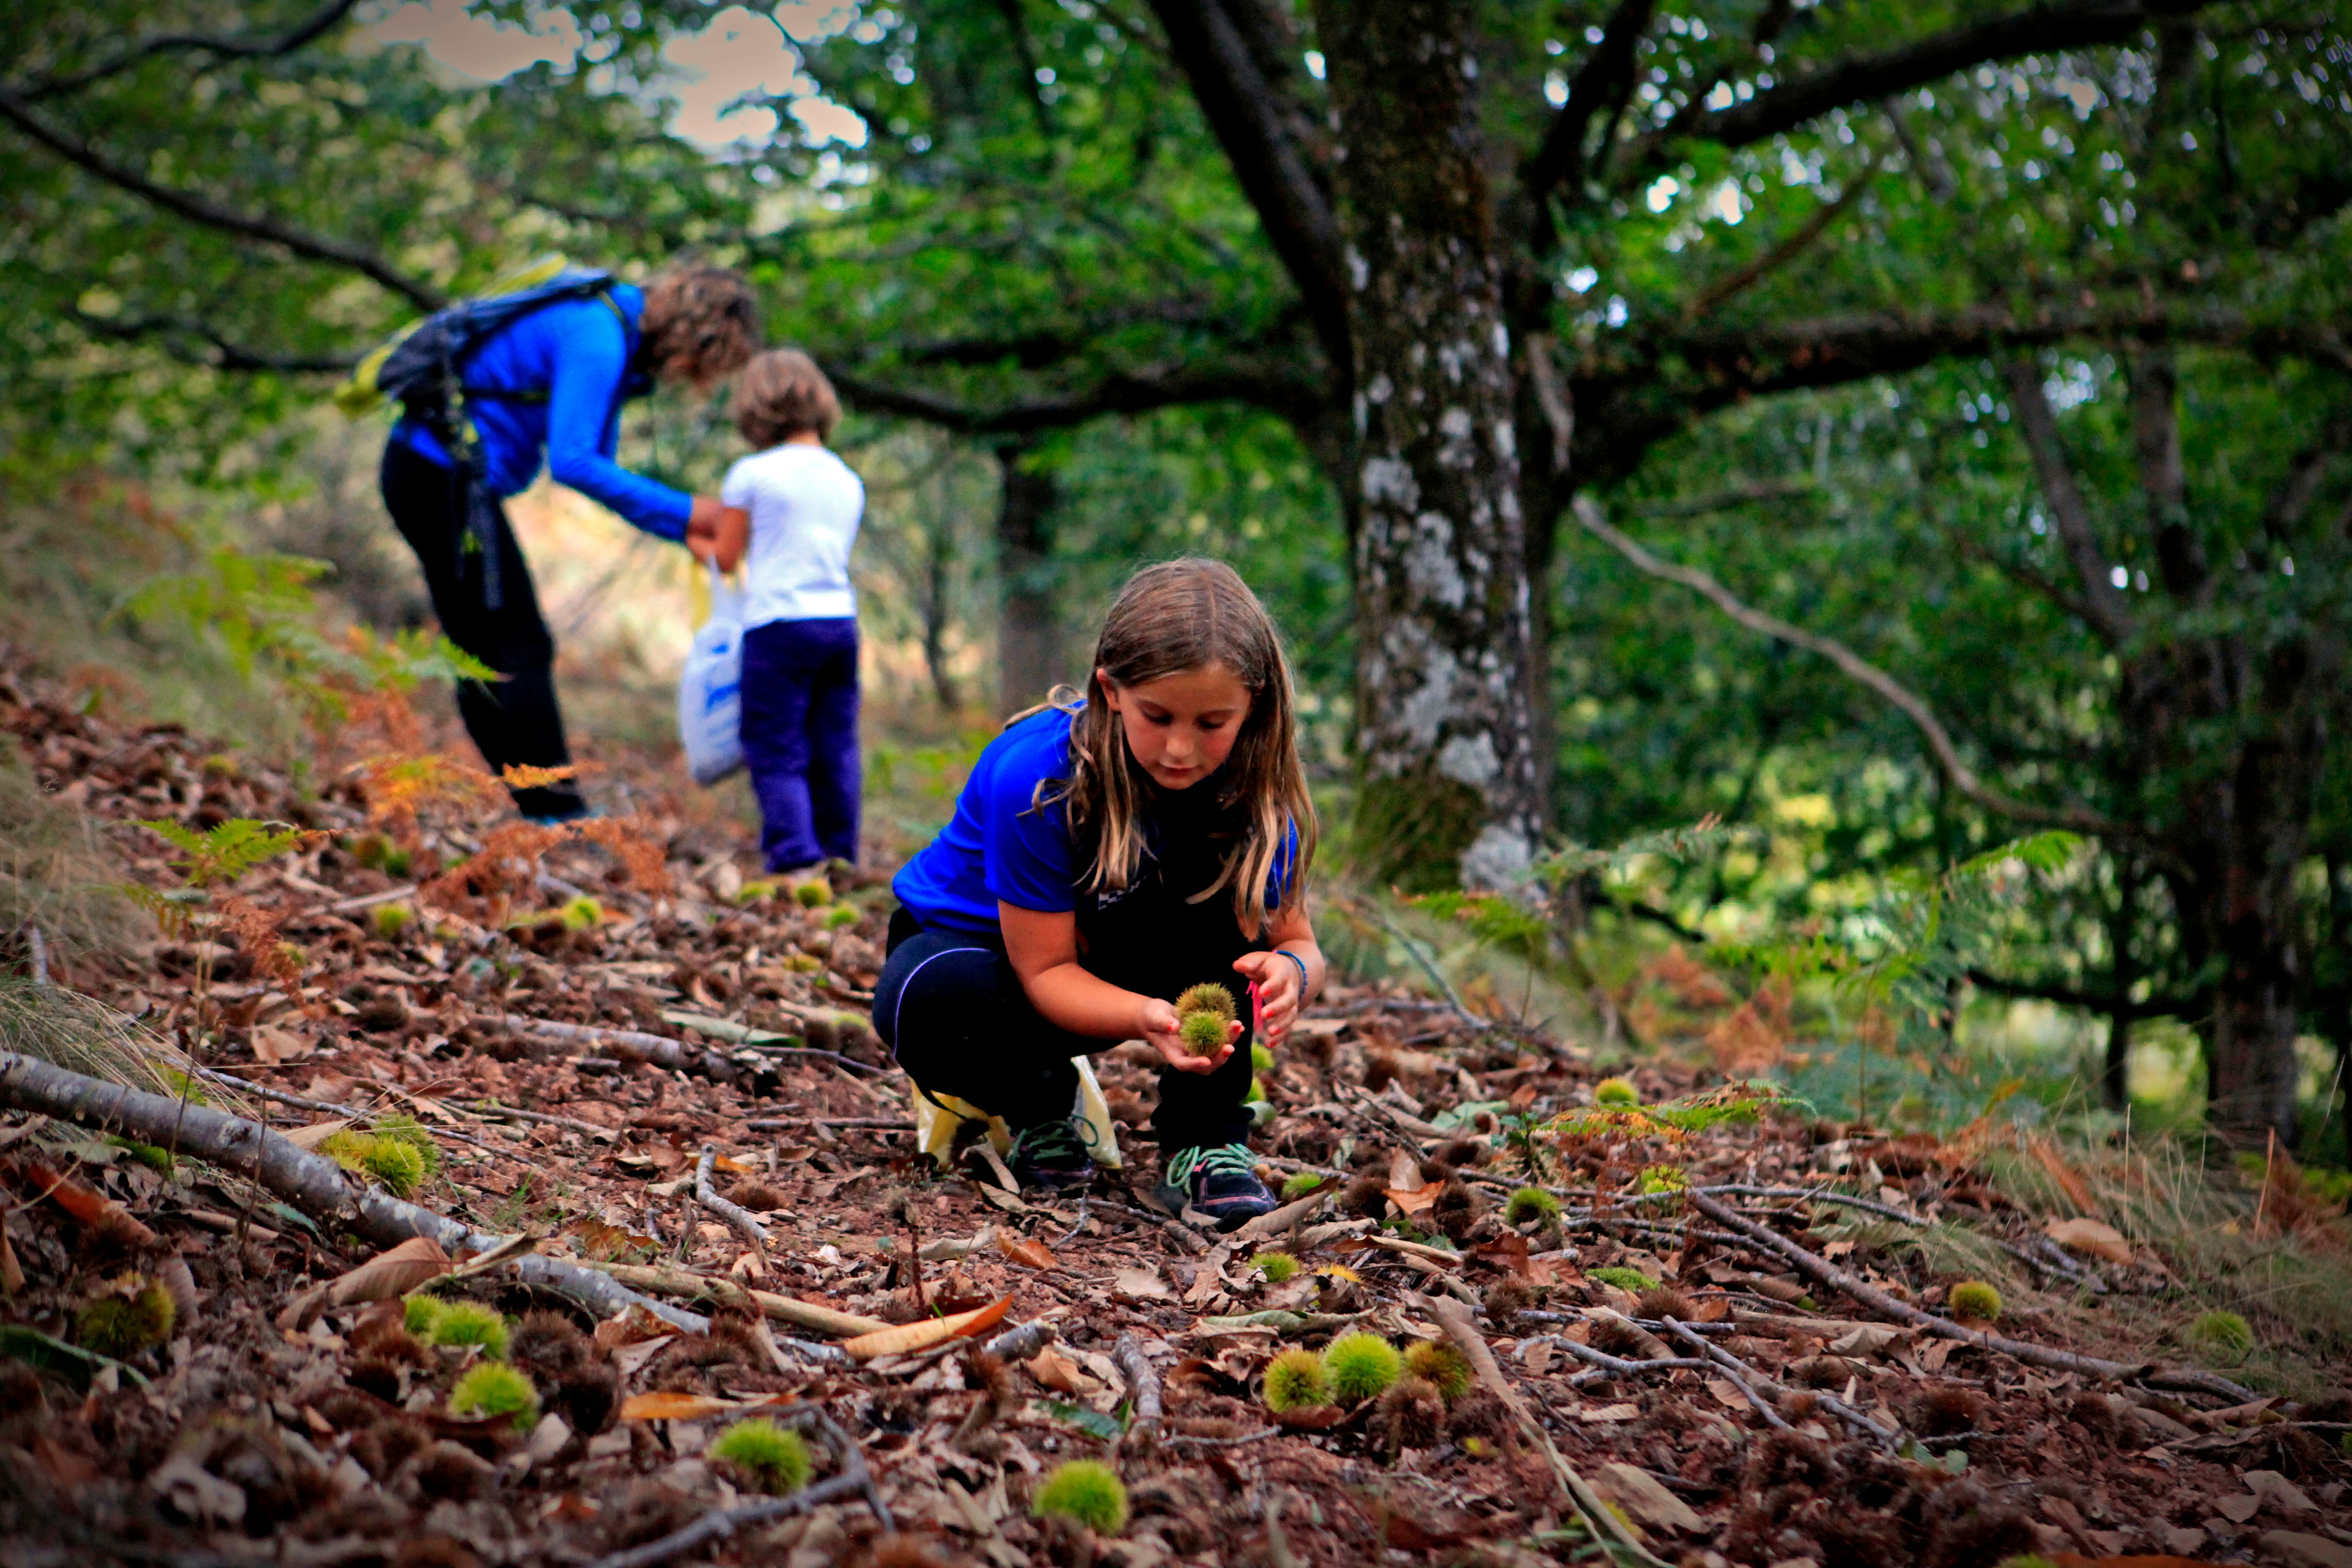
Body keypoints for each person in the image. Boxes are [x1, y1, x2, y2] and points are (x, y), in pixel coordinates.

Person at [874, 559, 1326, 1229]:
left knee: (1227, 912)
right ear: (1111, 691)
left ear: (1252, 705)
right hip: (986, 959)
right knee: (922, 997)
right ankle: (1036, 1105)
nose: (1180, 747)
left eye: (1211, 723)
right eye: (1157, 715)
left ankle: (1205, 1140)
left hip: (1114, 944)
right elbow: (1046, 968)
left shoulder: (1253, 793)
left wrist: (1291, 972)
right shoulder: (1038, 778)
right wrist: (1145, 1016)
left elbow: (1298, 943)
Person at [378, 263, 761, 821]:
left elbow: (595, 465)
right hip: (439, 479)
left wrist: (683, 529)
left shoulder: (607, 323)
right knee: (518, 644)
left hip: (434, 478)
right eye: (699, 364)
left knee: (483, 649)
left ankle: (537, 808)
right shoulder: (597, 338)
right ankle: (557, 813)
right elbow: (575, 463)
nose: (687, 378)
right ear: (689, 335)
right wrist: (691, 511)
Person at [694, 350, 865, 876]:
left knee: (773, 745)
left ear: (758, 406)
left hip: (778, 625)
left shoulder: (751, 474)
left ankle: (795, 858)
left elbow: (726, 556)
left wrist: (692, 538)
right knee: (835, 745)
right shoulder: (847, 479)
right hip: (839, 622)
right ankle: (840, 855)